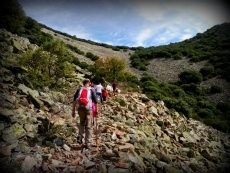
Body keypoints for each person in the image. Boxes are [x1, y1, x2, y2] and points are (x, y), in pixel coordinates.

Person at [72, 78, 98, 149]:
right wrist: (96, 110)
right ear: (89, 83)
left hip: (80, 108)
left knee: (81, 123)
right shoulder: (91, 89)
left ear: (83, 83)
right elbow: (95, 101)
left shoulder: (79, 89)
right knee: (89, 126)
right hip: (88, 109)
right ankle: (88, 143)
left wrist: (73, 111)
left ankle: (80, 137)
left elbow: (74, 100)